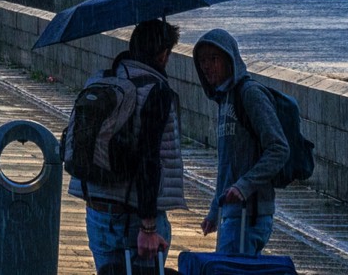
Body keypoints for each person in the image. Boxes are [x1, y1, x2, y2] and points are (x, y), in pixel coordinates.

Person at [70, 19, 186, 273]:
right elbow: (149, 158)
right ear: (164, 54)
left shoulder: (100, 81)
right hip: (134, 219)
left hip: (98, 213)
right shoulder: (154, 90)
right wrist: (148, 227)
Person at [193, 29, 289, 255]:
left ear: (230, 59)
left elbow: (279, 148)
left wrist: (244, 186)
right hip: (232, 214)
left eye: (213, 59)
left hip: (250, 214)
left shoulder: (250, 94)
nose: (207, 67)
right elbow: (226, 167)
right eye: (202, 60)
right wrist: (215, 210)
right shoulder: (224, 100)